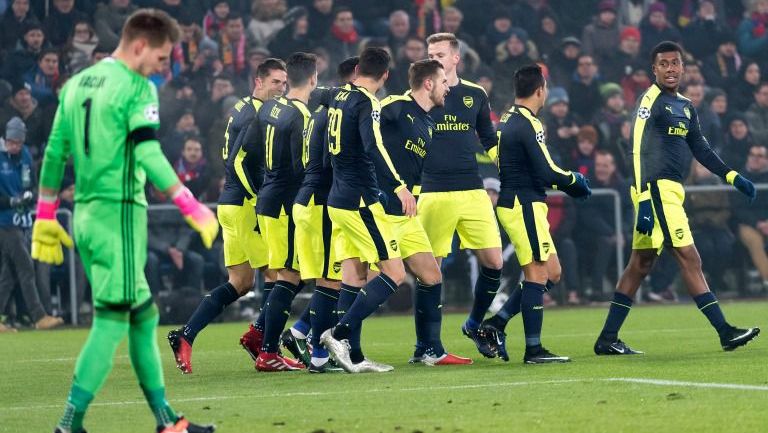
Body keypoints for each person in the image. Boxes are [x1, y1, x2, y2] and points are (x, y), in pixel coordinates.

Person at [32, 10, 217, 433]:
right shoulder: (136, 87)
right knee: (112, 319)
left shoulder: (77, 83)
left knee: (143, 316)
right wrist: (190, 205)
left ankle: (167, 420)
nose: (163, 66)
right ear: (139, 46)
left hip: (86, 215)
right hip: (119, 216)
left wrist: (45, 213)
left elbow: (56, 151)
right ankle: (68, 424)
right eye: (161, 56)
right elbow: (149, 153)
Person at [593, 41, 760, 357]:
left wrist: (731, 176)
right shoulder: (649, 101)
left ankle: (607, 338)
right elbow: (638, 149)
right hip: (655, 189)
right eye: (664, 64)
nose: (670, 69)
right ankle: (725, 332)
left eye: (675, 63)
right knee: (689, 258)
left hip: (669, 191)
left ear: (683, 67)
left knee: (640, 264)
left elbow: (701, 148)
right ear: (653, 69)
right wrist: (643, 198)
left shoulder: (686, 106)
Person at [167, 58, 287, 375]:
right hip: (246, 206)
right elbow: (236, 162)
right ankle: (265, 345)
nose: (282, 88)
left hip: (230, 204)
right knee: (281, 275)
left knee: (241, 282)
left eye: (285, 82)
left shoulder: (240, 110)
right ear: (258, 81)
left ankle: (186, 335)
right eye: (276, 81)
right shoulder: (256, 114)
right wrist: (259, 198)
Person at [478, 64, 592, 364]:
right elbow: (545, 168)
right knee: (536, 274)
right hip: (523, 205)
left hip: (521, 203)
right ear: (540, 91)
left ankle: (496, 323)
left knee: (552, 272)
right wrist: (574, 182)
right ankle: (534, 349)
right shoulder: (528, 123)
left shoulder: (507, 118)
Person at [319, 47, 415, 373]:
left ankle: (355, 358)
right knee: (395, 273)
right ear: (386, 75)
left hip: (337, 199)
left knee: (354, 276)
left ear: (358, 68)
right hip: (359, 201)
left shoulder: (337, 96)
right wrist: (399, 185)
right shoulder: (366, 103)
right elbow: (374, 146)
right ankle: (339, 334)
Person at [374, 60, 471, 366]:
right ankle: (317, 335)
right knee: (356, 277)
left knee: (431, 275)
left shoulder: (428, 122)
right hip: (378, 206)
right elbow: (366, 134)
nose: (448, 87)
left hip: (406, 212)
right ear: (428, 83)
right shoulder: (395, 106)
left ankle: (429, 349)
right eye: (443, 81)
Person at [418, 32, 503, 359]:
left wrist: (504, 169)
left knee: (494, 262)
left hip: (472, 189)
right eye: (430, 53)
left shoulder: (475, 94)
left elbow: (488, 139)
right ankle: (425, 345)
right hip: (433, 190)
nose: (434, 58)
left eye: (439, 53)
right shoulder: (419, 94)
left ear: (456, 58)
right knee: (430, 271)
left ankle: (473, 323)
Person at [251, 52, 322, 372]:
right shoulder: (301, 115)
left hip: (268, 197)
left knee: (287, 275)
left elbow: (249, 150)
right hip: (284, 204)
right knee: (290, 276)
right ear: (313, 78)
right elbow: (302, 166)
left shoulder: (270, 107)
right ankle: (267, 349)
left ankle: (262, 338)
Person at [0, 117, 63, 332]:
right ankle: (39, 316)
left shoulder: (26, 156)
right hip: (5, 221)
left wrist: (30, 195)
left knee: (8, 274)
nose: (14, 146)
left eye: (17, 142)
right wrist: (11, 201)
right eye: (10, 141)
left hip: (23, 220)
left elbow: (34, 185)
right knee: (26, 267)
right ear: (5, 139)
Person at [734, 144, 768, 289]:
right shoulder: (739, 178)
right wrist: (758, 223)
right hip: (746, 224)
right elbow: (738, 208)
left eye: (760, 156)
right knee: (755, 241)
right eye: (752, 155)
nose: (755, 159)